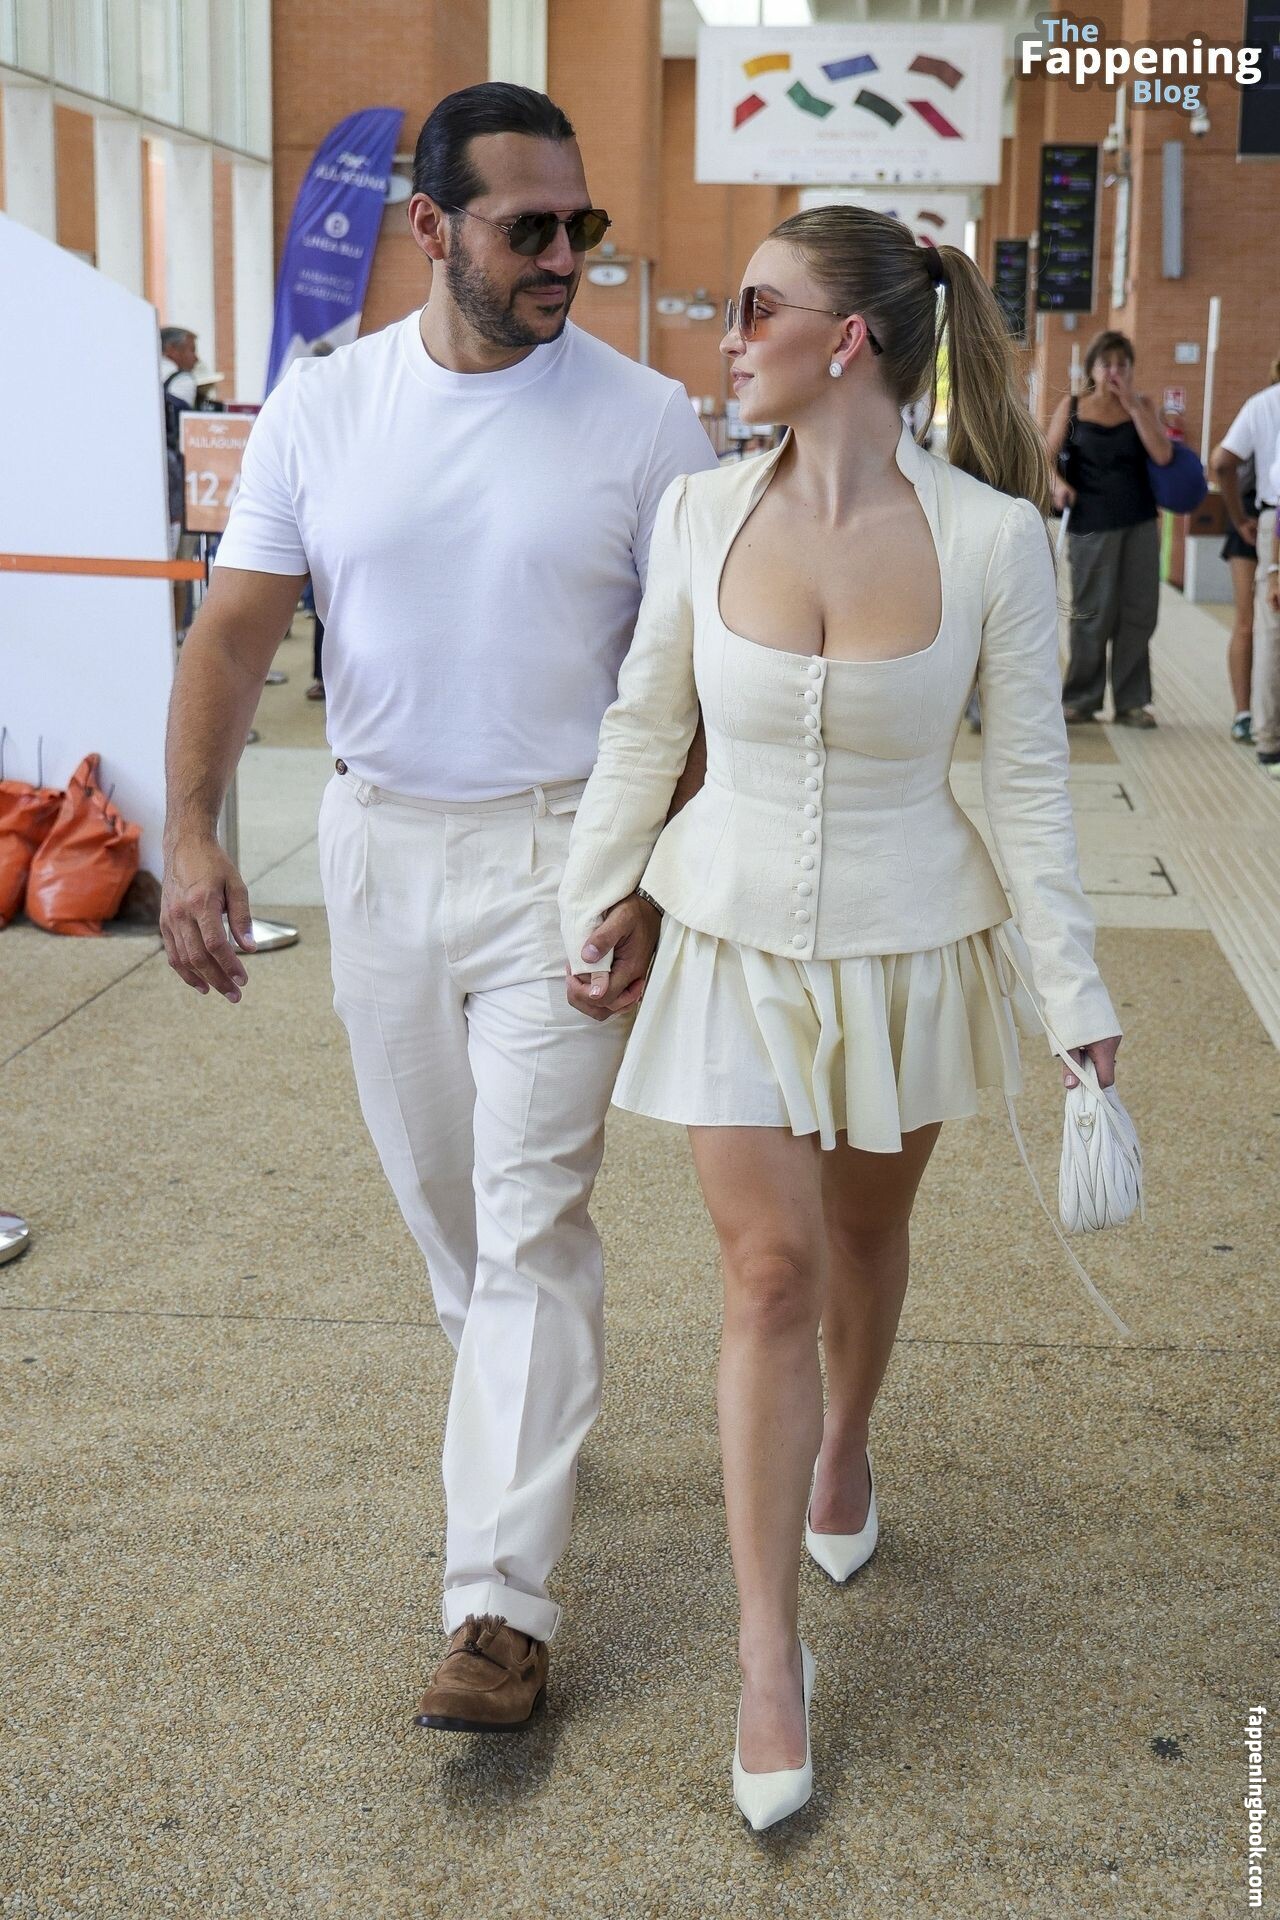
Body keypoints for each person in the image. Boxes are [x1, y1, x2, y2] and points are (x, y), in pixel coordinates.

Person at [158, 84, 717, 1732]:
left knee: (533, 1219)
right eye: (528, 227)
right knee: (452, 1222)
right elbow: (234, 634)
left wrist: (653, 876)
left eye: (580, 226)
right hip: (378, 848)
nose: (563, 257)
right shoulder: (324, 409)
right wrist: (190, 835)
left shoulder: (647, 423)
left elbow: (688, 688)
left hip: (566, 856)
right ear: (430, 228)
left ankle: (499, 1607)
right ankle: (524, 1434)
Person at [558, 207, 1123, 1829]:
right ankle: (766, 1659)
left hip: (909, 949)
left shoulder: (995, 540)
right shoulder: (698, 510)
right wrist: (596, 895)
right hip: (727, 936)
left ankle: (845, 1440)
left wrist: (1076, 995)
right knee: (769, 1274)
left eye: (758, 308)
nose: (729, 336)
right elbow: (642, 724)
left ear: (849, 337)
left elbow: (1031, 792)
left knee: (864, 1246)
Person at [1047, 331, 1172, 728]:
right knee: (1091, 611)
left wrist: (1133, 406)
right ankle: (1081, 698)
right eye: (1106, 364)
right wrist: (1058, 484)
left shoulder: (1143, 406)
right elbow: (1044, 458)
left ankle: (1132, 702)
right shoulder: (1072, 406)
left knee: (1138, 611)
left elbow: (1162, 454)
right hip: (1090, 524)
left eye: (1122, 364)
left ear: (1131, 369)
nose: (1114, 371)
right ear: (1092, 369)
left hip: (1139, 522)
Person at [1211, 357, 1280, 773]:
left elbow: (1221, 462)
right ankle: (1253, 721)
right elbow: (1223, 462)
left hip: (1264, 519)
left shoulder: (1261, 405)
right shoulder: (1263, 405)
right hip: (1262, 523)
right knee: (1253, 625)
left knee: (1260, 627)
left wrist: (1238, 517)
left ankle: (1258, 725)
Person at [161, 326, 199, 636]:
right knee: (180, 559)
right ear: (171, 350)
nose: (195, 358)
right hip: (176, 479)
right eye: (190, 350)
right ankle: (178, 630)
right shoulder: (182, 381)